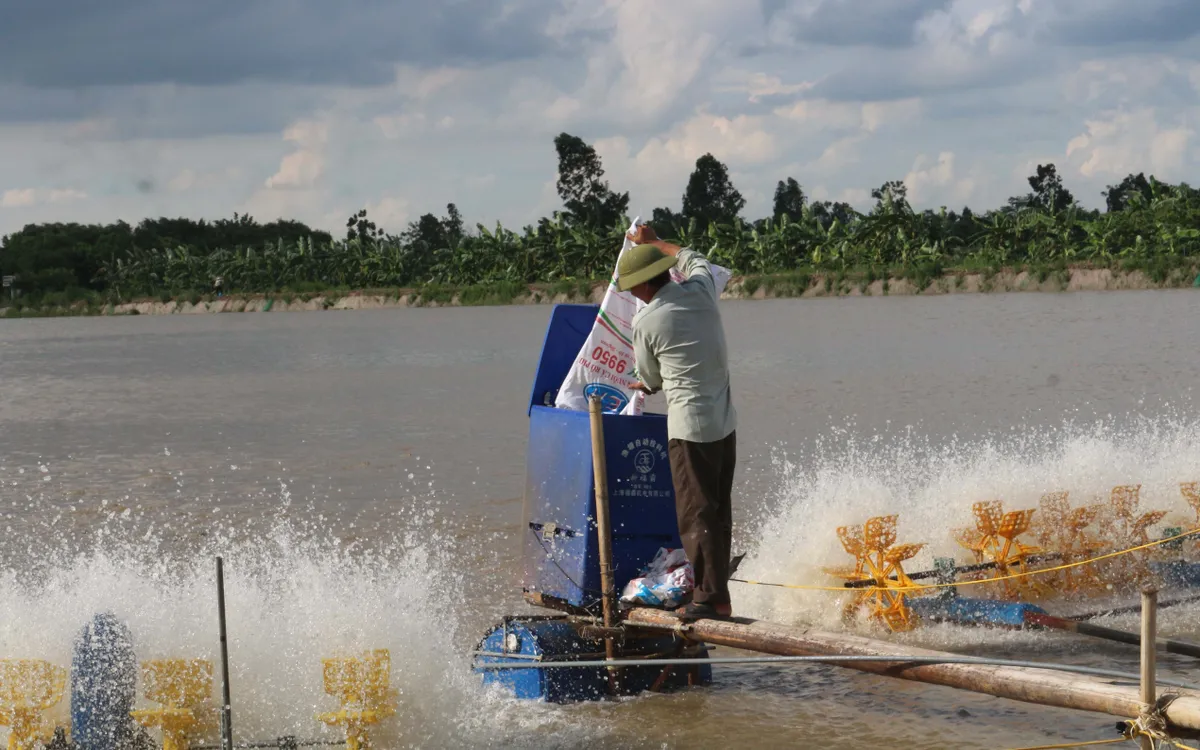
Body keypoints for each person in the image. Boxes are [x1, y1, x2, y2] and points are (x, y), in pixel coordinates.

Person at [618, 223, 737, 622]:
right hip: (724, 422)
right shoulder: (703, 291)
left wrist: (645, 383)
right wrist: (655, 242)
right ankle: (718, 596)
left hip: (689, 430)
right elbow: (695, 258)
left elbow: (649, 379)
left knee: (695, 514)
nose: (633, 293)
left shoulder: (647, 321)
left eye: (633, 287)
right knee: (718, 511)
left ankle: (706, 600)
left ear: (645, 287)